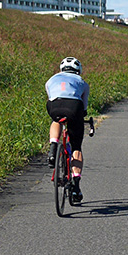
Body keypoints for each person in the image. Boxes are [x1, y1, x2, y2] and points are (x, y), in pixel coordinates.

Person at [45, 56, 91, 205]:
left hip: (55, 104)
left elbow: (51, 96)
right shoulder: (83, 83)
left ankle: (53, 147)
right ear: (78, 70)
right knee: (76, 146)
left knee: (56, 119)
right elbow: (83, 108)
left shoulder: (51, 79)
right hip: (74, 106)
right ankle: (76, 187)